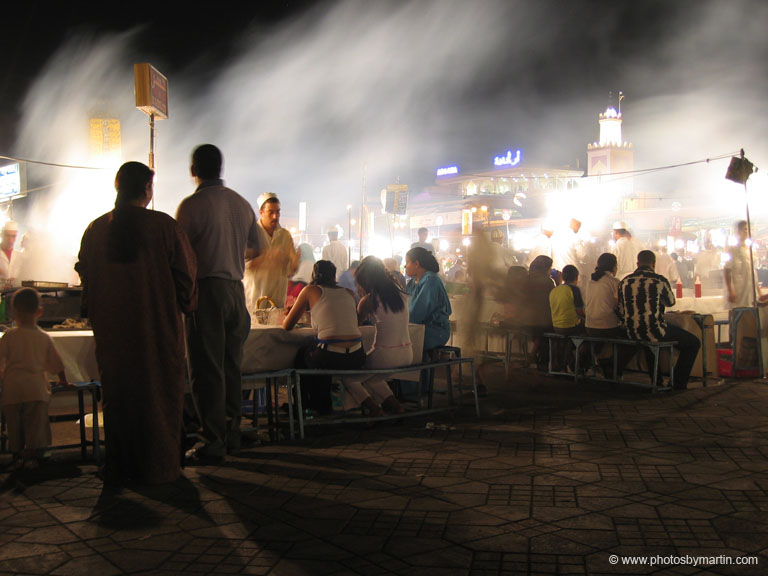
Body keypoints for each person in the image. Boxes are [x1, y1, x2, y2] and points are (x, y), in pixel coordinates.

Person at [77, 161, 197, 482]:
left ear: (117, 187)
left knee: (120, 396)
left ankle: (123, 467)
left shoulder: (96, 229)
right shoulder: (165, 227)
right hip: (159, 331)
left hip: (114, 333)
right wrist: (185, 305)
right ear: (147, 189)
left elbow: (85, 278)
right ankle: (160, 468)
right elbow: (186, 281)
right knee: (160, 396)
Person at [176, 145, 260, 464]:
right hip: (235, 292)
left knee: (205, 368)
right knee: (231, 367)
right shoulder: (241, 203)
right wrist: (232, 252)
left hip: (207, 290)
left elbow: (179, 254)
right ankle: (232, 433)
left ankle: (213, 440)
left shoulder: (192, 205)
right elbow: (257, 246)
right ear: (220, 168)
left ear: (193, 170)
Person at [283, 260, 365, 414]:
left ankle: (302, 405)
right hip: (358, 356)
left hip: (331, 356)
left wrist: (290, 312)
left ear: (314, 274)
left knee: (305, 355)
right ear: (334, 276)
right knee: (321, 352)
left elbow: (287, 325)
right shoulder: (349, 292)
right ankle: (319, 403)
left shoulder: (310, 290)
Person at [0, 288, 68, 468]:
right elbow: (57, 363)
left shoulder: (9, 336)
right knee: (35, 426)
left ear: (13, 312)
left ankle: (17, 455)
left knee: (14, 426)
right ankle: (35, 457)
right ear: (39, 312)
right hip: (35, 389)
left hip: (12, 389)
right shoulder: (43, 337)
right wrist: (63, 379)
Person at [618, 250, 700, 390]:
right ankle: (678, 383)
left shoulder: (625, 282)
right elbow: (670, 302)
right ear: (653, 264)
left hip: (632, 331)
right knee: (693, 343)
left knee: (648, 341)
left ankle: (657, 380)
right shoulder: (659, 280)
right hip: (655, 330)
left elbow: (621, 309)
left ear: (637, 263)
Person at [343, 256, 410, 416]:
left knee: (349, 378)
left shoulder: (368, 300)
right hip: (407, 353)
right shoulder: (399, 293)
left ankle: (374, 410)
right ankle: (397, 407)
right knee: (374, 379)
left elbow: (354, 325)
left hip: (385, 355)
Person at [243, 192, 298, 312]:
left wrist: (294, 263)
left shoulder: (285, 235)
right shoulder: (251, 234)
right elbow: (243, 266)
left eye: (278, 212)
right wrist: (267, 258)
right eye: (271, 212)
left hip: (277, 300)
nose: (275, 216)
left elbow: (289, 270)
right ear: (261, 212)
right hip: (254, 299)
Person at [584, 253, 629, 376]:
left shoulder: (590, 282)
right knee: (631, 340)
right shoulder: (614, 281)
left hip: (589, 325)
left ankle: (602, 361)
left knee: (601, 342)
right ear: (614, 266)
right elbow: (620, 304)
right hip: (607, 326)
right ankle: (611, 365)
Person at [405, 247, 452, 356]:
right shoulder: (412, 283)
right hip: (416, 328)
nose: (405, 266)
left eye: (407, 262)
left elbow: (417, 313)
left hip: (434, 331)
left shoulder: (431, 280)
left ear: (416, 264)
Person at [520, 255, 556, 370]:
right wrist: (558, 282)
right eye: (550, 267)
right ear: (545, 268)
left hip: (526, 319)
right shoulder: (548, 281)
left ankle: (533, 356)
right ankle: (541, 362)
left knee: (539, 334)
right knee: (548, 333)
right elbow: (554, 299)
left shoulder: (526, 279)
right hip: (542, 320)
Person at [548, 264, 586, 371]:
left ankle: (570, 361)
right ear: (576, 277)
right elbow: (579, 311)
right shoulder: (574, 289)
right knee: (589, 332)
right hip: (571, 327)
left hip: (556, 327)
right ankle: (579, 364)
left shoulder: (554, 290)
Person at [724, 220, 765, 309]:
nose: (747, 232)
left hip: (751, 289)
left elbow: (754, 273)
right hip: (739, 289)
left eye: (748, 229)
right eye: (744, 229)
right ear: (738, 231)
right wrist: (731, 290)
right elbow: (727, 270)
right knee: (740, 313)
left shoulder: (751, 250)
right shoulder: (733, 250)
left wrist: (759, 291)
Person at [286, 243, 315, 309]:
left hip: (301, 294)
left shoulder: (306, 264)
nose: (297, 254)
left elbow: (297, 279)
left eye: (298, 251)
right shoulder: (312, 264)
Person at [0, 220, 23, 289]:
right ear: (1, 235)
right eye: (7, 236)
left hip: (14, 295)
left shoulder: (20, 256)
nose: (10, 240)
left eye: (13, 236)